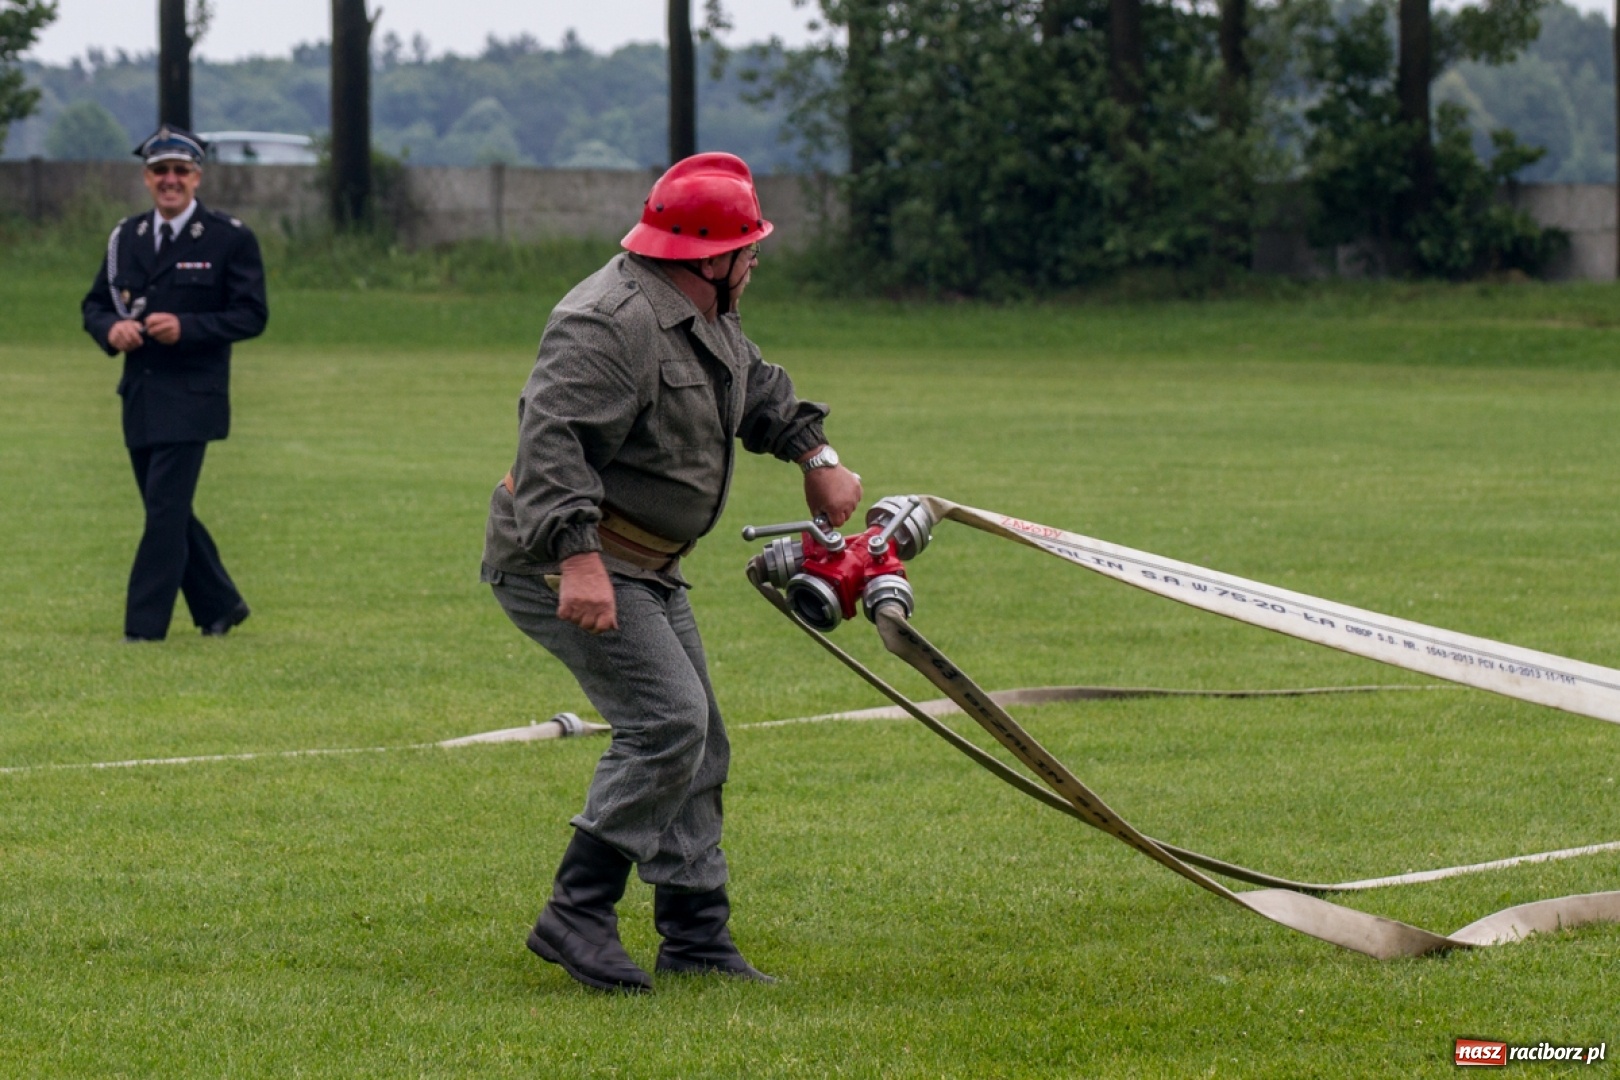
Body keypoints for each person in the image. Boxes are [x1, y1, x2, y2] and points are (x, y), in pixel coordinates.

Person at [481, 152, 862, 994]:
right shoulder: (607, 322)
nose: (755, 261)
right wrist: (579, 560)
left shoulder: (700, 311)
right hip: (566, 557)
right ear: (708, 258)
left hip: (644, 564)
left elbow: (758, 390)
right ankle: (575, 913)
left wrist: (816, 454)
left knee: (701, 741)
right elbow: (550, 448)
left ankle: (695, 934)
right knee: (666, 724)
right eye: (748, 249)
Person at [81, 126, 267, 642]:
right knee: (170, 510)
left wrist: (188, 328)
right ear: (146, 178)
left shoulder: (229, 237)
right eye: (160, 171)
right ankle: (221, 604)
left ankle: (144, 630)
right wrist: (109, 329)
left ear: (196, 177)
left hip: (193, 397)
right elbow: (95, 305)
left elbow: (252, 315)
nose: (170, 180)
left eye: (180, 171)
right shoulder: (126, 238)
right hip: (140, 394)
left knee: (164, 511)